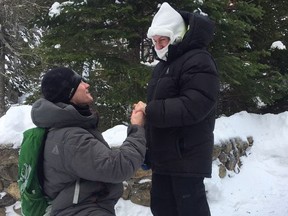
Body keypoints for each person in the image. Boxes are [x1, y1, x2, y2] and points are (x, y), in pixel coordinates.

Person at [135, 2, 220, 216]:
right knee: (162, 209)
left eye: (163, 39)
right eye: (155, 41)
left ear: (178, 35)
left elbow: (195, 104)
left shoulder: (198, 59)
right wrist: (148, 147)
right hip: (164, 157)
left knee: (190, 210)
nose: (159, 45)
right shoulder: (164, 65)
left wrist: (150, 110)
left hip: (185, 156)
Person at [31, 67, 146, 216]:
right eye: (80, 82)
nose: (87, 85)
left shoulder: (62, 128)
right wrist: (137, 127)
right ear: (69, 93)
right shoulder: (71, 138)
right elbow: (118, 167)